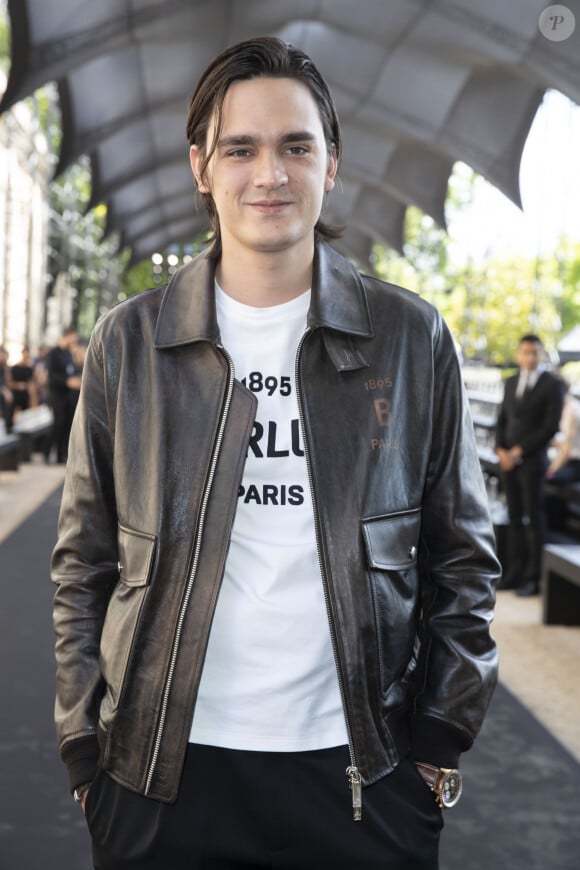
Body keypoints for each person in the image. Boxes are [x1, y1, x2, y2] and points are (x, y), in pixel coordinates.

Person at [52, 37, 499, 870]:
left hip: (363, 771)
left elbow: (464, 557)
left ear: (331, 164)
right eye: (241, 148)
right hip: (161, 774)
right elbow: (83, 562)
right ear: (200, 167)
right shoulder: (132, 343)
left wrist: (440, 735)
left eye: (297, 145)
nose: (270, 173)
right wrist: (86, 747)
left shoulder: (408, 338)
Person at [495, 334, 563, 596]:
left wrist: (518, 452)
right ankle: (513, 573)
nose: (529, 356)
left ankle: (533, 578)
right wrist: (501, 450)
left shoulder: (552, 385)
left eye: (534, 352)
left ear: (541, 354)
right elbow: (502, 418)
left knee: (534, 520)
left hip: (533, 462)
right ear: (518, 353)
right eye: (525, 351)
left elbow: (550, 427)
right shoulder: (511, 381)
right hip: (508, 463)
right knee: (513, 518)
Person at [544, 382, 580, 531]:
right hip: (568, 459)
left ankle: (556, 526)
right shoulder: (565, 408)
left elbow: (567, 450)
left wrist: (551, 470)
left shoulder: (572, 411)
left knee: (548, 477)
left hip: (575, 463)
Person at [46, 327, 80, 463]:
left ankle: (62, 455)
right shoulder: (53, 354)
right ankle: (47, 453)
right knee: (57, 423)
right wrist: (67, 381)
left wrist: (76, 379)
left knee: (67, 424)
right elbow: (51, 377)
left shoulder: (68, 354)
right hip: (56, 394)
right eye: (72, 338)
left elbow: (71, 371)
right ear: (66, 337)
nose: (74, 341)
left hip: (69, 395)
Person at [9, 346, 35, 415]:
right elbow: (9, 383)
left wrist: (32, 397)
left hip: (26, 396)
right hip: (16, 395)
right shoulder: (14, 368)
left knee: (25, 414)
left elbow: (31, 383)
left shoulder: (29, 369)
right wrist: (18, 385)